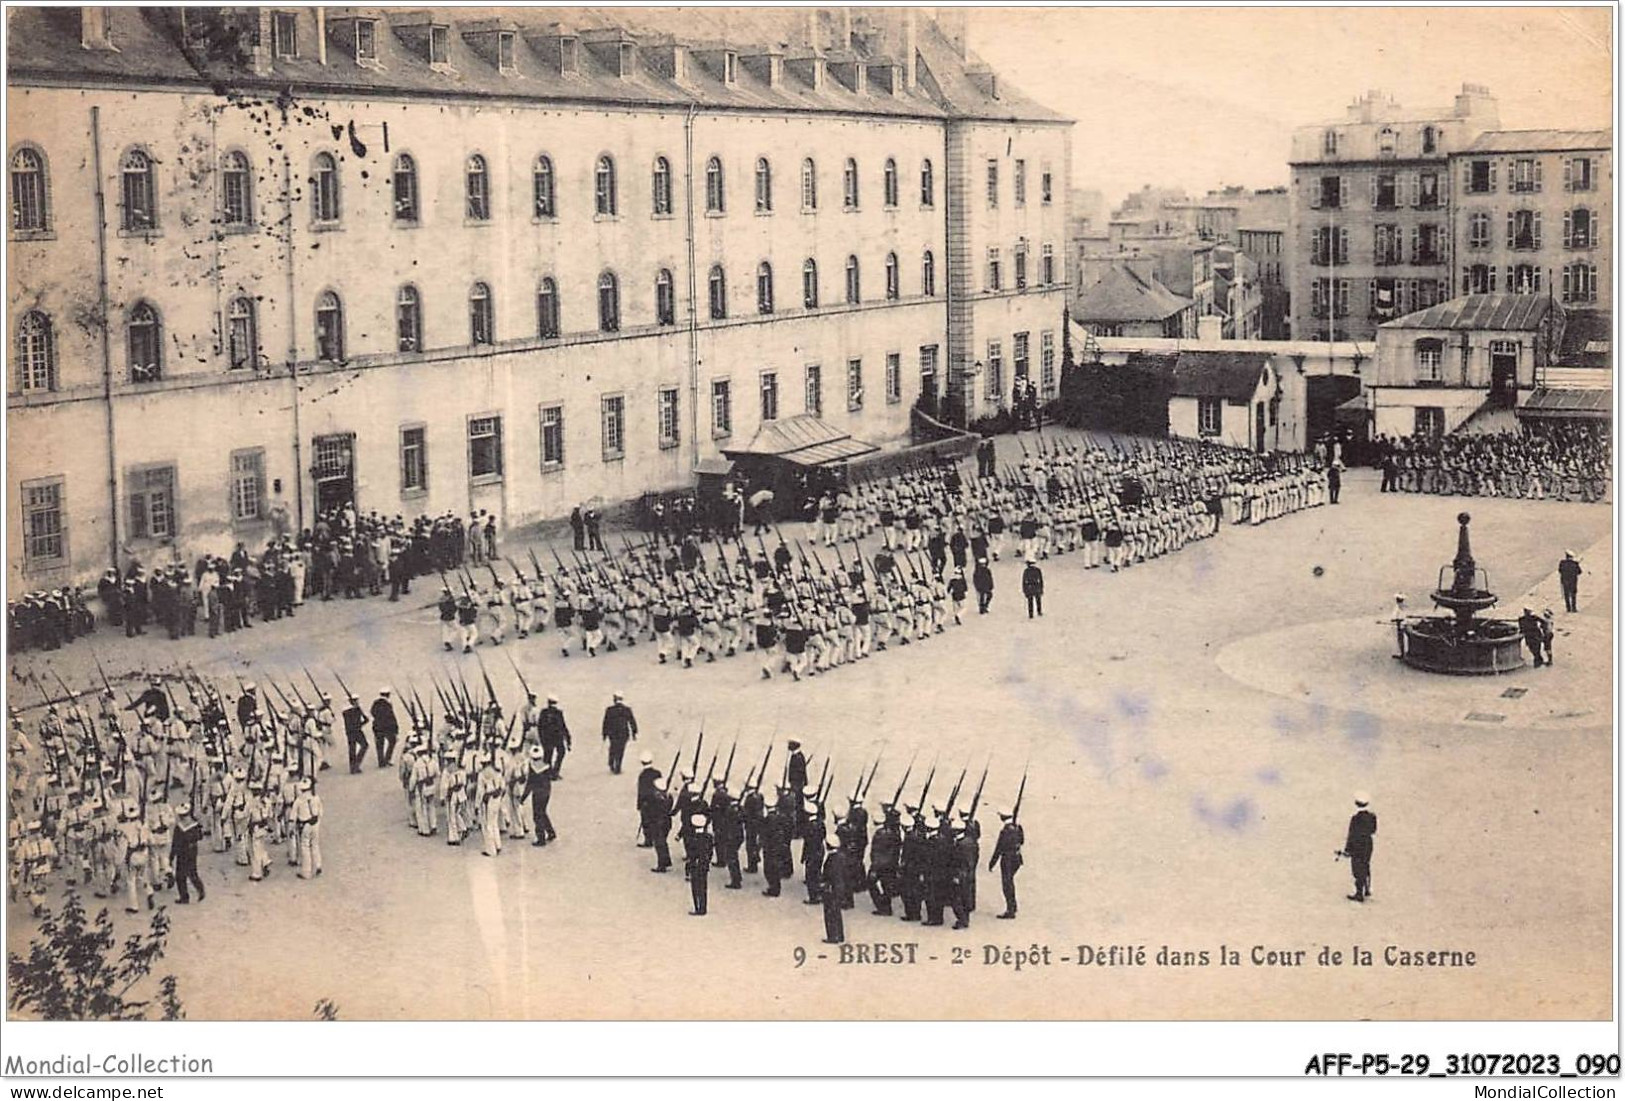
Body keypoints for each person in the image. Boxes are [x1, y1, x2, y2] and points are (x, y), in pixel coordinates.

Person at [1338, 792, 1378, 903]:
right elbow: (1373, 830)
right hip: (1368, 844)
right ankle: (1367, 888)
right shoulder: (1372, 817)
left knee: (1357, 869)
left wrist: (1347, 850)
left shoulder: (1355, 819)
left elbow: (1352, 835)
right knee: (1366, 865)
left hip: (1357, 845)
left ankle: (1359, 893)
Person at [990, 807, 1024, 919]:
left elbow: (999, 849)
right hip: (1017, 858)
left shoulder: (1005, 831)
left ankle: (1010, 909)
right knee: (1010, 882)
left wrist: (992, 863)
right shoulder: (1017, 827)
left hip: (1008, 860)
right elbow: (1022, 841)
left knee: (1007, 885)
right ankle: (1013, 906)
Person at [171, 802, 205, 904]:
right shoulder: (195, 824)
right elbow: (200, 836)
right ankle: (200, 889)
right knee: (192, 872)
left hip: (183, 852)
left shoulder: (179, 827)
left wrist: (171, 856)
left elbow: (175, 843)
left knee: (180, 876)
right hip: (193, 850)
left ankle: (184, 897)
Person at [523, 746, 557, 845]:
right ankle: (550, 832)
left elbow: (530, 783)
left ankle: (541, 838)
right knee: (543, 812)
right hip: (547, 792)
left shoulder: (533, 768)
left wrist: (523, 797)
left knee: (537, 815)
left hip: (537, 794)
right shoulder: (546, 765)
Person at [601, 692, 638, 774]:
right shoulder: (627, 710)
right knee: (621, 750)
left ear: (614, 699)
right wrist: (634, 732)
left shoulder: (609, 710)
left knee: (613, 747)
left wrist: (604, 733)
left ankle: (611, 762)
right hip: (623, 733)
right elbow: (632, 721)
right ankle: (618, 766)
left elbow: (606, 722)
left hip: (613, 733)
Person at [685, 812, 713, 916]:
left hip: (695, 865)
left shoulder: (692, 838)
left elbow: (691, 854)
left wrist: (687, 868)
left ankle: (698, 908)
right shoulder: (708, 837)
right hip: (704, 865)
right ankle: (703, 906)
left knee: (696, 887)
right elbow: (710, 852)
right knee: (703, 886)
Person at [538, 694, 571, 778]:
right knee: (559, 753)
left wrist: (541, 738)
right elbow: (563, 726)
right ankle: (553, 772)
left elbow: (540, 726)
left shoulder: (544, 712)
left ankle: (549, 772)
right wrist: (568, 739)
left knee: (548, 755)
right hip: (557, 737)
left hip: (548, 738)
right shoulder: (558, 713)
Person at [370, 688, 399, 768]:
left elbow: (372, 712)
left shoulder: (375, 703)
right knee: (392, 741)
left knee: (379, 744)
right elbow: (391, 716)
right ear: (388, 694)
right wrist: (396, 728)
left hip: (377, 727)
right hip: (387, 727)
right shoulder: (388, 704)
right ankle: (387, 759)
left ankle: (381, 761)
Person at [341, 695, 369, 774]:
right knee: (365, 745)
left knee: (352, 749)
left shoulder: (345, 712)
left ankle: (352, 766)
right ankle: (356, 763)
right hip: (357, 731)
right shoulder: (356, 710)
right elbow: (366, 720)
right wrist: (361, 723)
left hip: (349, 732)